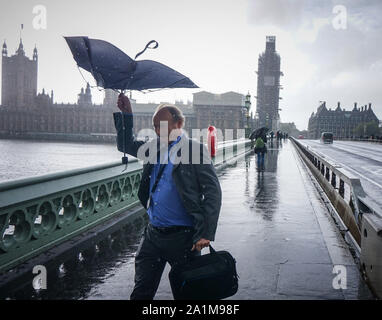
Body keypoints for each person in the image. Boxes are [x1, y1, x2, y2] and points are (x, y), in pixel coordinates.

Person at [113, 93, 222, 300]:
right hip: (152, 235)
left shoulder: (195, 150)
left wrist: (206, 233)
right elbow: (125, 145)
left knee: (188, 295)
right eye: (154, 126)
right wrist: (126, 114)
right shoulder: (153, 147)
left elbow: (213, 192)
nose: (157, 130)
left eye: (161, 125)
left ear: (179, 123)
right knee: (141, 292)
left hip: (183, 240)